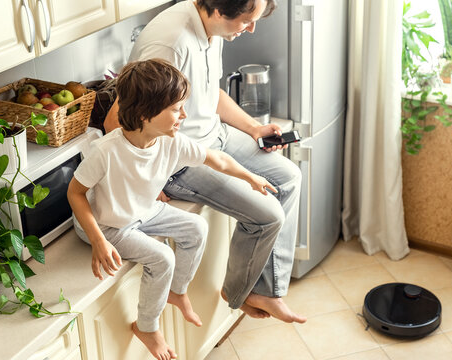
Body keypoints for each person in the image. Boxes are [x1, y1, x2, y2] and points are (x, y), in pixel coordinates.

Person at [104, 0, 306, 324]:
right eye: (246, 20)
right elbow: (116, 121)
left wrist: (253, 128)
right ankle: (239, 292)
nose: (251, 28)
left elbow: (210, 95)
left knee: (289, 178)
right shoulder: (170, 43)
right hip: (178, 161)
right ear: (220, 8)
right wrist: (145, 178)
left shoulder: (213, 30)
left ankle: (265, 291)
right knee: (268, 216)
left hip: (214, 137)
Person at [68, 58, 278, 359]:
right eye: (176, 109)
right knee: (163, 257)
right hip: (107, 224)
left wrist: (250, 176)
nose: (184, 115)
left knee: (196, 227)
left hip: (142, 210)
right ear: (145, 114)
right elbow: (75, 193)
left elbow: (216, 159)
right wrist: (98, 241)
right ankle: (147, 327)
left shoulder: (170, 141)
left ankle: (176, 292)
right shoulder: (107, 151)